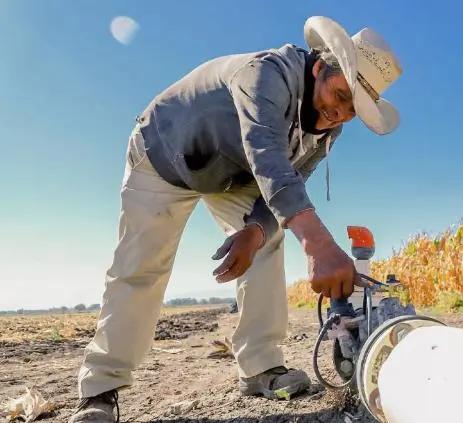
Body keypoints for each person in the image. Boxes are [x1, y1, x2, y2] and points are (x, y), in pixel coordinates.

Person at [69, 16, 402, 423]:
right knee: (141, 266)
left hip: (238, 174)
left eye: (354, 110)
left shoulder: (328, 129)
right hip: (165, 156)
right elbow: (268, 155)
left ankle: (261, 367)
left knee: (268, 240)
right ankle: (101, 387)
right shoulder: (266, 73)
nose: (340, 113)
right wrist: (319, 245)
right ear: (319, 68)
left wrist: (256, 230)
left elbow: (292, 179)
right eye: (340, 95)